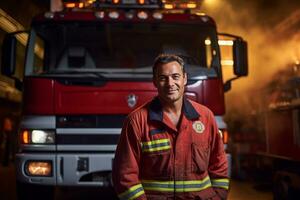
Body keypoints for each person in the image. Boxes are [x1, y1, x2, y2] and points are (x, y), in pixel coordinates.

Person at [112, 54, 229, 200]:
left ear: (184, 79)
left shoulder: (206, 117)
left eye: (175, 76)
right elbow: (125, 175)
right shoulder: (137, 121)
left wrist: (219, 196)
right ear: (154, 81)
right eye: (163, 78)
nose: (170, 83)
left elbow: (219, 164)